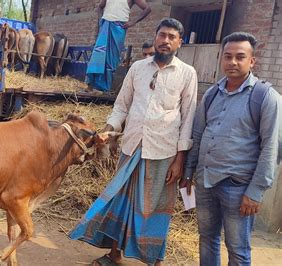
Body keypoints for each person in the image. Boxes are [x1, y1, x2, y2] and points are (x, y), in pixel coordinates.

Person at [70, 18, 198, 266]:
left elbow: (189, 117)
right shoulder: (138, 68)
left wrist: (180, 160)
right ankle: (114, 254)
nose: (166, 40)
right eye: (162, 35)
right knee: (121, 201)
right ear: (156, 36)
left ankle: (153, 260)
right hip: (131, 147)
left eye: (172, 37)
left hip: (163, 152)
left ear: (180, 42)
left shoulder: (187, 73)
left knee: (155, 209)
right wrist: (108, 129)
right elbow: (121, 106)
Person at [182, 32, 280, 265]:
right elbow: (198, 134)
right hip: (205, 182)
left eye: (240, 57)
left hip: (239, 188)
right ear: (221, 59)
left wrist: (255, 192)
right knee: (207, 239)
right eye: (228, 56)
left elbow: (271, 148)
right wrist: (188, 172)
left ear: (252, 61)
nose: (232, 62)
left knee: (237, 249)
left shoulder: (265, 97)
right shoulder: (212, 94)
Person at [85, 0, 151, 93]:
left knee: (112, 58)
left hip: (119, 28)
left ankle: (104, 89)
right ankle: (90, 86)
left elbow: (147, 9)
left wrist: (133, 22)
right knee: (98, 54)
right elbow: (100, 7)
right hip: (105, 26)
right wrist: (101, 21)